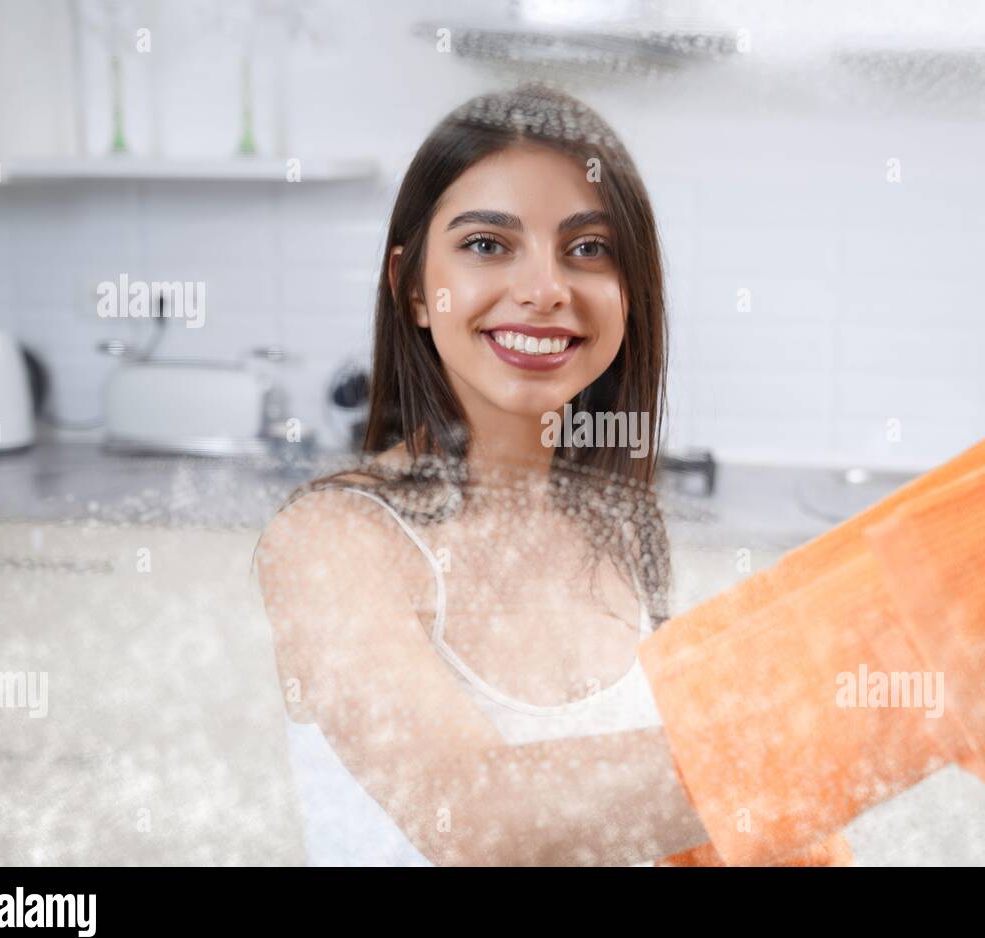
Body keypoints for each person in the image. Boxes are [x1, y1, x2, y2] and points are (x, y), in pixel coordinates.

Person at [254, 83, 710, 866]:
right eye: (488, 245)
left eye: (588, 248)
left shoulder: (618, 526)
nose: (544, 290)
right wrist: (804, 746)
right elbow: (479, 819)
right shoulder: (331, 542)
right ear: (413, 288)